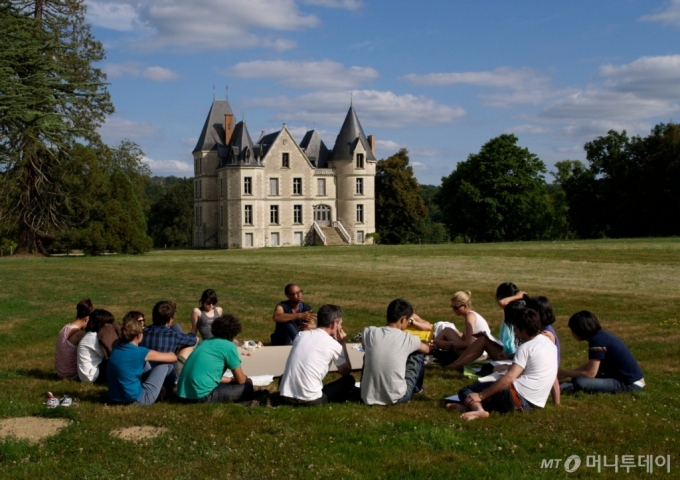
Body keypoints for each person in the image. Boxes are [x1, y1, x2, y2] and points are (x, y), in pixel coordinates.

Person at [452, 309, 557, 421]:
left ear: (524, 331)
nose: (515, 333)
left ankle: (479, 410)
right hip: (533, 405)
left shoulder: (525, 348)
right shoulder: (550, 344)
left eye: (516, 329)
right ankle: (469, 408)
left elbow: (510, 378)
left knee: (466, 391)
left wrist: (481, 395)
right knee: (492, 390)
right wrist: (557, 402)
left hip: (516, 399)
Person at [361, 298, 433, 405]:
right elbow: (427, 349)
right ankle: (417, 389)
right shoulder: (408, 338)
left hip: (367, 396)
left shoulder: (369, 332)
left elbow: (365, 346)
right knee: (418, 354)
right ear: (403, 319)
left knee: (367, 354)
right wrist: (433, 345)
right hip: (397, 398)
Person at [279, 304, 355, 406]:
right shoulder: (334, 345)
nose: (341, 327)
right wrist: (342, 343)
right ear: (334, 324)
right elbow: (346, 371)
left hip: (284, 395)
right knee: (349, 380)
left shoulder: (301, 335)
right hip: (311, 401)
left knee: (285, 376)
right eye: (340, 324)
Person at [558, 310, 645, 394]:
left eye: (572, 330)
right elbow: (591, 365)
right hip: (629, 379)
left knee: (580, 382)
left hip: (629, 384)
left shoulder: (597, 341)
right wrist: (567, 374)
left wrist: (564, 372)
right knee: (577, 378)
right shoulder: (601, 336)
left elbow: (590, 373)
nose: (572, 334)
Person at [177, 314, 255, 403]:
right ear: (234, 333)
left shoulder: (205, 342)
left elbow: (211, 375)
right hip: (201, 396)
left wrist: (231, 380)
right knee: (247, 387)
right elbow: (241, 380)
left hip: (182, 394)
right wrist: (247, 380)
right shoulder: (229, 346)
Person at [107, 316, 177, 405]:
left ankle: (161, 390)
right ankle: (168, 391)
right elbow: (173, 358)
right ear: (139, 335)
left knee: (144, 364)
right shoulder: (140, 352)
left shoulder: (116, 348)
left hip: (115, 397)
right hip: (138, 399)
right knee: (166, 365)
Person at [430, 291, 495, 364]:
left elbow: (467, 343)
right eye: (452, 307)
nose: (453, 310)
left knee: (447, 332)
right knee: (448, 330)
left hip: (476, 355)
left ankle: (429, 348)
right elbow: (466, 339)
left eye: (456, 307)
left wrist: (447, 344)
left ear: (465, 306)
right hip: (480, 352)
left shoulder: (470, 317)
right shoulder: (472, 315)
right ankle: (431, 346)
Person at [141, 301, 197, 374]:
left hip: (145, 371)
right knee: (189, 346)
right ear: (170, 319)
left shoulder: (142, 333)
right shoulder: (174, 335)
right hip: (167, 375)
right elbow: (193, 340)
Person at [55, 299, 93, 379]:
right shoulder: (79, 334)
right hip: (71, 374)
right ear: (87, 319)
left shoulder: (65, 328)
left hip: (60, 371)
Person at [77, 309, 115, 383]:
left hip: (89, 374)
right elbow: (107, 354)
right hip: (92, 376)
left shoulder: (90, 335)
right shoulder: (93, 338)